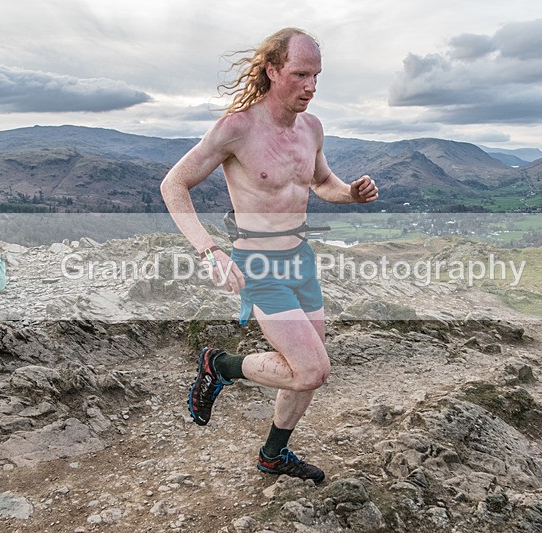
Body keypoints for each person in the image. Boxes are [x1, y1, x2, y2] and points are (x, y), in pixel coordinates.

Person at [160, 28, 378, 483]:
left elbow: (321, 182)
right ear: (273, 70)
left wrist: (351, 194)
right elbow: (173, 185)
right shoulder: (236, 128)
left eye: (316, 76)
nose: (311, 87)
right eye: (301, 74)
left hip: (301, 259)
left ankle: (274, 453)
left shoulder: (312, 128)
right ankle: (219, 366)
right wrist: (209, 251)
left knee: (308, 368)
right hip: (258, 264)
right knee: (313, 370)